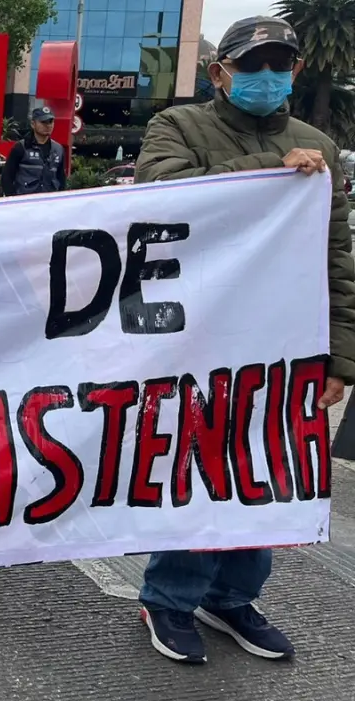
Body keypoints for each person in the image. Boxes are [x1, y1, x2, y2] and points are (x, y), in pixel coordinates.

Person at [133, 15, 353, 665]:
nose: (266, 78)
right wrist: (272, 169)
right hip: (201, 337)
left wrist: (339, 356)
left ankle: (231, 596)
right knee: (203, 467)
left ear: (297, 72)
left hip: (286, 345)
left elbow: (334, 257)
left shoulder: (321, 147)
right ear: (218, 73)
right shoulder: (177, 127)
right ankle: (169, 597)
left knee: (267, 475)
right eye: (251, 66)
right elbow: (162, 199)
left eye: (279, 65)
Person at [1, 106, 66, 196]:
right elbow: (6, 177)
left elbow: (61, 178)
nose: (48, 125)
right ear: (33, 124)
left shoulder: (58, 149)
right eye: (43, 122)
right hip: (25, 203)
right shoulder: (21, 147)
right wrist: (13, 200)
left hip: (50, 204)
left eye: (51, 121)